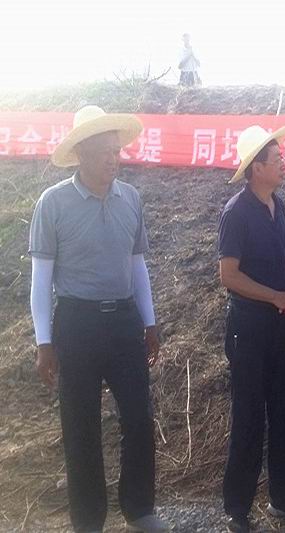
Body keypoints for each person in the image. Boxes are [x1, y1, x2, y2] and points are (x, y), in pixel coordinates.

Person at [29, 105, 170, 533]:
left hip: (124, 321)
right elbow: (41, 279)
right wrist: (44, 341)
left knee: (139, 417)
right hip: (77, 324)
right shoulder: (54, 204)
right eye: (105, 151)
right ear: (82, 153)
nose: (114, 159)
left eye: (117, 151)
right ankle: (88, 520)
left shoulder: (131, 199)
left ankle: (139, 509)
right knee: (81, 425)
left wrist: (149, 321)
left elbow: (137, 265)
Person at [217, 125, 285, 532]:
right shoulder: (236, 213)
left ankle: (284, 498)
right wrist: (274, 298)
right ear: (256, 168)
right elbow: (228, 275)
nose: (284, 164)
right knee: (249, 418)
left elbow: (281, 264)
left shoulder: (279, 206)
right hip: (248, 328)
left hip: (279, 325)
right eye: (277, 160)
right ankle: (237, 508)